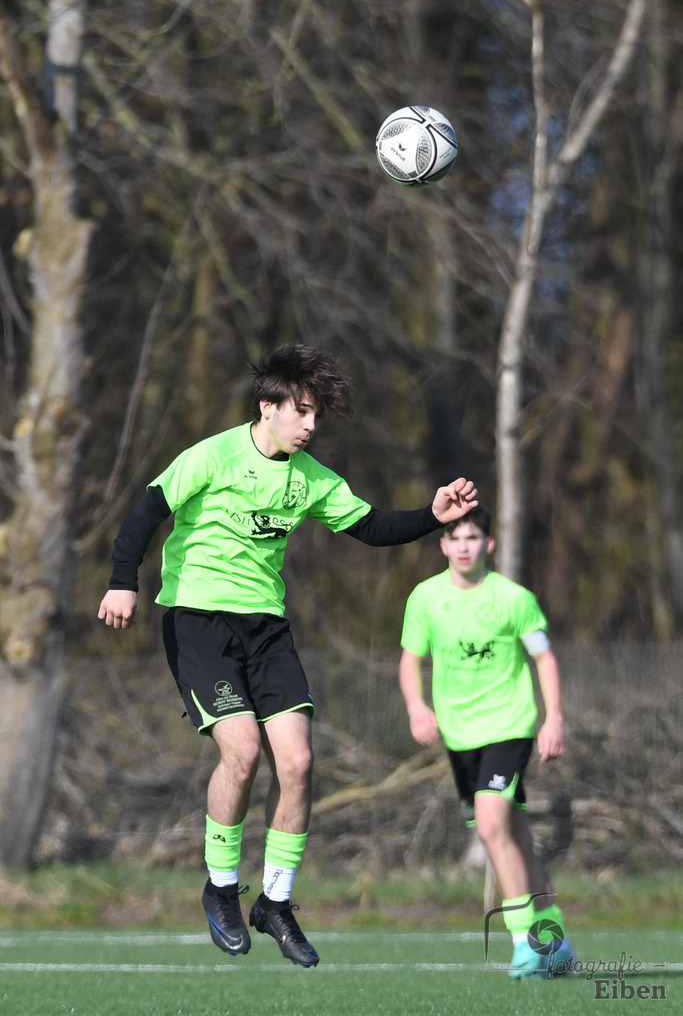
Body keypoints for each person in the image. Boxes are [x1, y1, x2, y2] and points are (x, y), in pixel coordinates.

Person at [98, 342, 478, 968]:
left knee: (298, 762)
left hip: (267, 631)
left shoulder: (311, 479)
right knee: (243, 754)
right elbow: (146, 513)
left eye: (316, 417)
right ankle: (221, 888)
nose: (308, 426)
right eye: (300, 411)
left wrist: (431, 517)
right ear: (266, 406)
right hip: (198, 622)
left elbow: (370, 527)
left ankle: (275, 903)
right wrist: (122, 580)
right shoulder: (213, 456)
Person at [398, 505, 576, 979]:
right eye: (455, 539)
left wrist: (553, 719)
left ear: (488, 545)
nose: (463, 546)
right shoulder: (425, 598)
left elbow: (545, 660)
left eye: (473, 538)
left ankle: (526, 946)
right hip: (460, 737)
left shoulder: (513, 598)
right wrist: (417, 708)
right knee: (514, 835)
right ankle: (555, 939)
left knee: (493, 825)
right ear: (442, 546)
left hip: (509, 727)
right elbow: (410, 660)